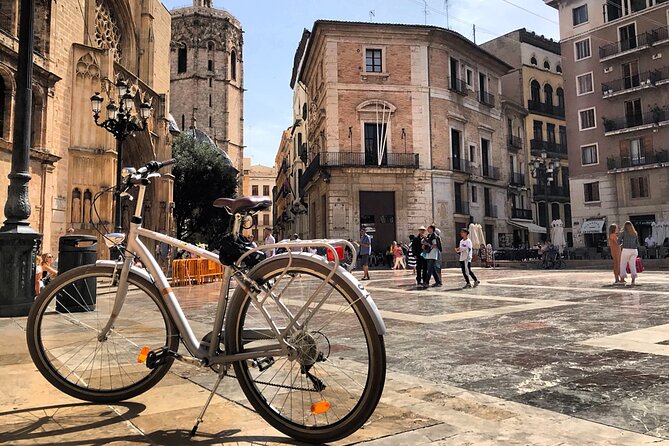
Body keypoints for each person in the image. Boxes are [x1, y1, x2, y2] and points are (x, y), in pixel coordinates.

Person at [619, 221, 640, 286]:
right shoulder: (635, 233)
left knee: (623, 264)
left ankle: (622, 278)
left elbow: (618, 241)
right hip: (634, 250)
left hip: (626, 249)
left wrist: (622, 244)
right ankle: (633, 280)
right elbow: (638, 243)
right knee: (632, 265)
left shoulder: (623, 233)